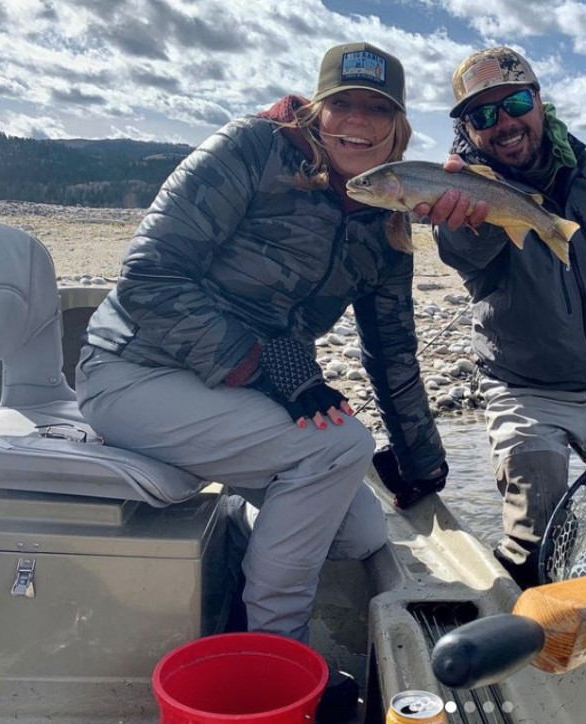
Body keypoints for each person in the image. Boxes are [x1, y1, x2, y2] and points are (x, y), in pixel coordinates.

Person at [75, 41, 447, 717]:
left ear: (397, 126)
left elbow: (393, 350)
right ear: (317, 106)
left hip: (236, 390)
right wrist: (266, 366)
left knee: (359, 534)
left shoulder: (387, 215)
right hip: (132, 371)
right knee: (338, 449)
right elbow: (149, 278)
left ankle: (249, 550)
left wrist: (423, 462)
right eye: (343, 103)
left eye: (376, 109)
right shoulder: (251, 148)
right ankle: (273, 656)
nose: (357, 122)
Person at [418, 47, 586, 589]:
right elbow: (462, 254)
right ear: (468, 128)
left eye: (514, 102)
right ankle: (534, 645)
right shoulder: (457, 191)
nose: (505, 123)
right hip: (524, 394)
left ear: (538, 101)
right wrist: (472, 219)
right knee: (536, 547)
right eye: (484, 115)